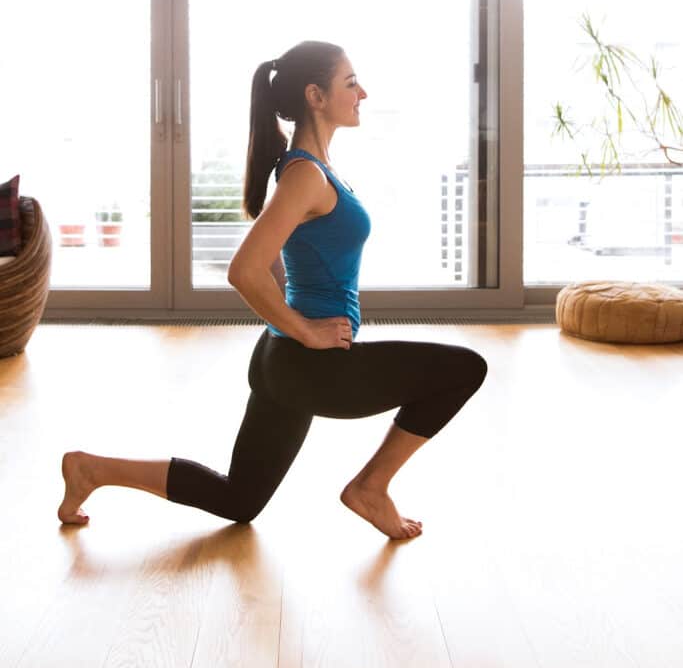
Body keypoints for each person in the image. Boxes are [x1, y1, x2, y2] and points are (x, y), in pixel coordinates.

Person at [58, 41, 487, 540]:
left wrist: (297, 325)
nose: (362, 92)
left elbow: (283, 263)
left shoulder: (309, 169)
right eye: (350, 83)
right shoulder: (305, 174)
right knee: (464, 369)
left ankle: (93, 470)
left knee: (239, 499)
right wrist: (305, 330)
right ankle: (371, 487)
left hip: (282, 361)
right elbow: (245, 270)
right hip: (308, 365)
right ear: (315, 96)